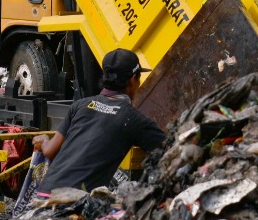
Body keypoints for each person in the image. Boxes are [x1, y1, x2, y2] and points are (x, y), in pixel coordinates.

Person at [31, 49, 165, 195]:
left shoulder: (80, 105)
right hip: (75, 204)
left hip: (45, 194)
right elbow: (170, 148)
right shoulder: (132, 119)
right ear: (133, 80)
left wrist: (44, 140)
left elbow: (50, 151)